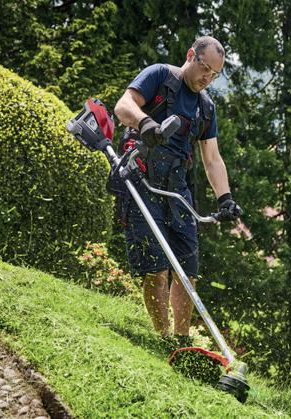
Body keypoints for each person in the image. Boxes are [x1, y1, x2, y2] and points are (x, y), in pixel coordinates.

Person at [113, 36, 242, 344]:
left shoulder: (205, 107)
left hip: (177, 187)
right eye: (205, 68)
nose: (207, 78)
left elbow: (212, 159)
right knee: (156, 266)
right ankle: (163, 339)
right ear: (190, 55)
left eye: (215, 74)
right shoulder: (160, 75)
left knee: (187, 269)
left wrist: (225, 198)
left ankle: (181, 343)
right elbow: (123, 105)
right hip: (141, 176)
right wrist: (145, 123)